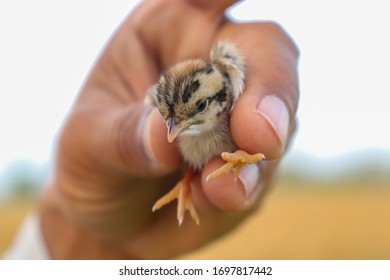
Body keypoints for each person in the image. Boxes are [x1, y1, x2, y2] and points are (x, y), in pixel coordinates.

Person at [5, 0, 299, 259]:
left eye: (195, 111)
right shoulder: (171, 121)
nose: (173, 130)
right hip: (96, 232)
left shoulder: (227, 92)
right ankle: (187, 181)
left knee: (250, 136)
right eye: (169, 118)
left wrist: (246, 154)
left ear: (219, 100)